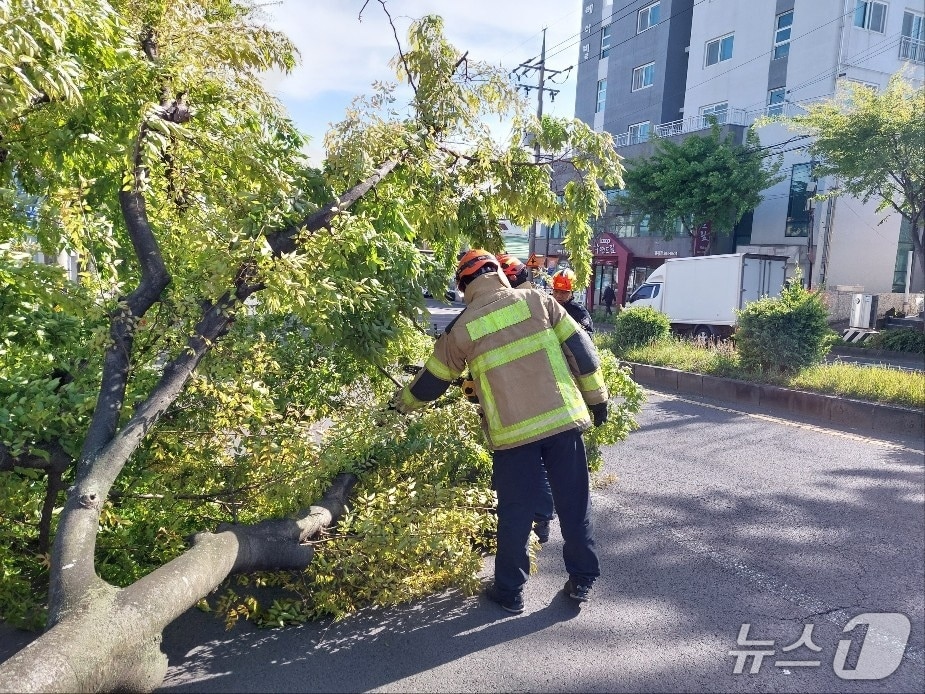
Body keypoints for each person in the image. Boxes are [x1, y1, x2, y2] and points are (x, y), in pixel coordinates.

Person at [393, 249, 609, 614]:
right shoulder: (538, 301)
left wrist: (402, 404)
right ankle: (582, 579)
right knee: (574, 504)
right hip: (562, 422)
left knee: (515, 513)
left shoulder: (461, 328)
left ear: (464, 285)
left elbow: (433, 380)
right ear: (499, 273)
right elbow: (581, 351)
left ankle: (510, 592)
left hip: (512, 436)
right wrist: (598, 399)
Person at [496, 253, 553, 544]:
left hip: (523, 397)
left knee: (528, 465)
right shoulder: (539, 299)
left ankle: (537, 520)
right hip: (546, 393)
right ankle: (541, 519)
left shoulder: (514, 305)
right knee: (541, 464)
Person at [551, 269, 594, 334]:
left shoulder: (578, 311)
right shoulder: (547, 308)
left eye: (563, 292)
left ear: (571, 293)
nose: (558, 296)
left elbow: (589, 334)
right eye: (556, 291)